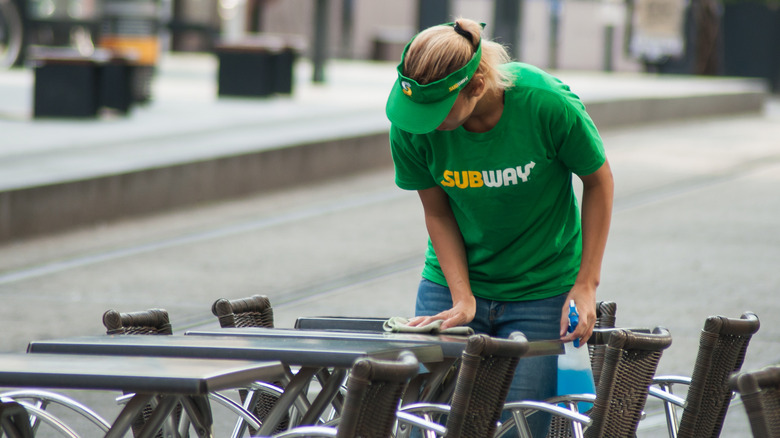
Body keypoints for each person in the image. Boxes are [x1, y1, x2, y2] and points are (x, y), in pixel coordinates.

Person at [384, 18, 614, 436]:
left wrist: (587, 283)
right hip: (449, 283)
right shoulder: (413, 126)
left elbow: (598, 181)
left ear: (476, 85)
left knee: (520, 427)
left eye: (436, 112)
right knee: (426, 422)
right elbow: (437, 213)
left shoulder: (544, 103)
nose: (424, 123)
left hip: (540, 290)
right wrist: (462, 296)